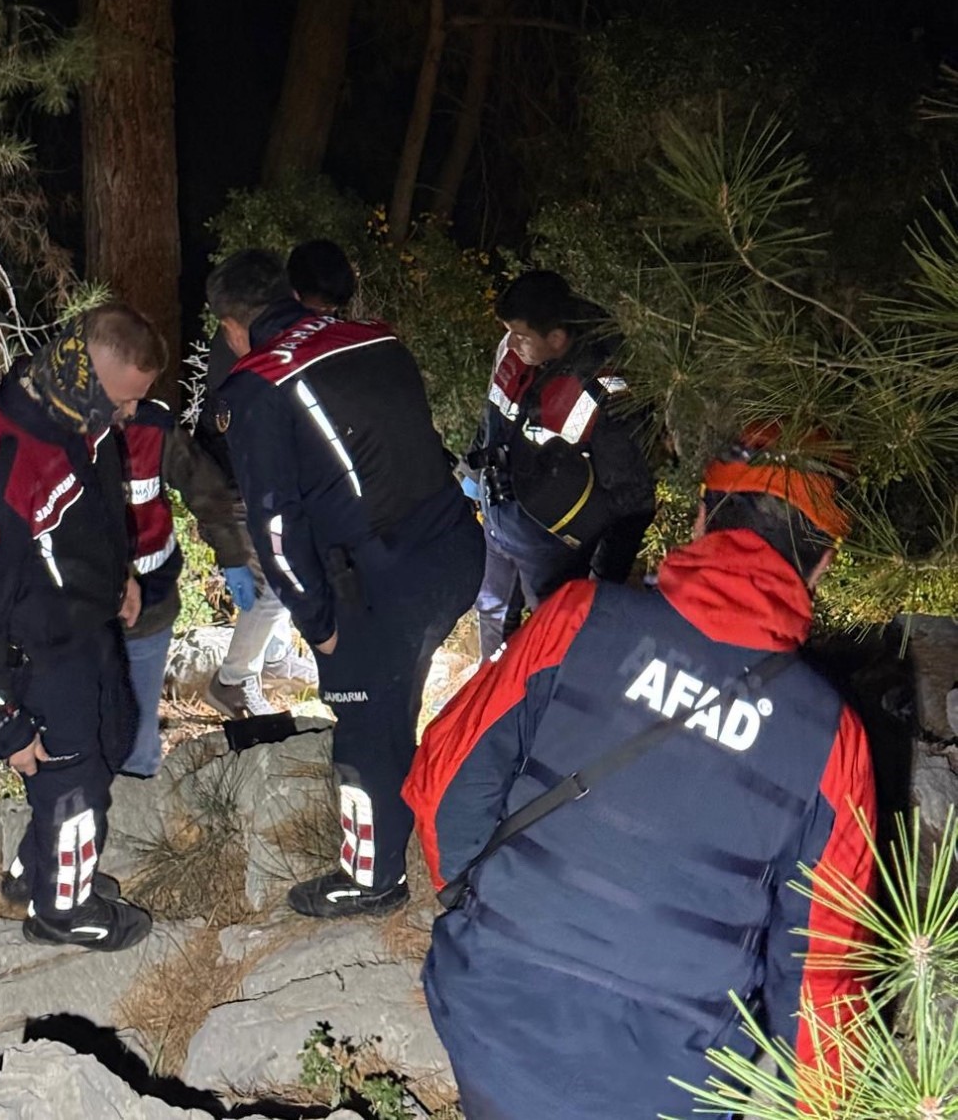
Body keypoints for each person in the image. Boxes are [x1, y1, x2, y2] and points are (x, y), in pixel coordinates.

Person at [404, 426, 877, 1120]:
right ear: (823, 563)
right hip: (667, 1083)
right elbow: (822, 978)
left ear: (702, 518)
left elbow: (444, 782)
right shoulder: (832, 739)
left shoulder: (577, 616)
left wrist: (477, 901)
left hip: (493, 1013)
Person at [207, 247, 484, 918]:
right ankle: (418, 818)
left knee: (363, 728)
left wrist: (318, 622)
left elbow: (275, 525)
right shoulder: (374, 336)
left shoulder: (257, 386)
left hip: (383, 581)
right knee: (395, 701)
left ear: (232, 326)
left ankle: (372, 879)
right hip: (455, 548)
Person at [0, 306, 161, 952]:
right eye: (123, 399)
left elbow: (92, 506)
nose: (131, 413)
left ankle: (37, 871)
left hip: (78, 623)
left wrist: (120, 576)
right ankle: (64, 910)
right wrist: (1, 721)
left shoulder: (70, 408)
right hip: (35, 648)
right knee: (72, 779)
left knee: (109, 738)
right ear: (86, 379)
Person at [199, 239, 356, 721]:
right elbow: (241, 433)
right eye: (317, 309)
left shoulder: (281, 336)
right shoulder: (246, 344)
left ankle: (273, 656)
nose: (322, 320)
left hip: (258, 476)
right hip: (236, 480)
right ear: (292, 296)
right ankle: (233, 679)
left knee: (279, 575)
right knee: (274, 581)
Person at [467, 269, 655, 659]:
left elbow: (633, 496)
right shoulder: (515, 350)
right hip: (497, 522)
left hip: (549, 548)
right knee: (492, 613)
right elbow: (492, 418)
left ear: (555, 338)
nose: (510, 343)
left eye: (520, 336)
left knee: (552, 642)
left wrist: (602, 581)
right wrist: (472, 485)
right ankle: (491, 681)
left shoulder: (603, 390)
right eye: (508, 332)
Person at [118, 397, 257, 776]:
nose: (128, 407)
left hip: (151, 599)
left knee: (138, 727)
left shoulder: (154, 428)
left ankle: (137, 783)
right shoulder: (59, 431)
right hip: (81, 604)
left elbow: (206, 491)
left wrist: (232, 555)